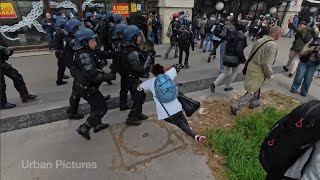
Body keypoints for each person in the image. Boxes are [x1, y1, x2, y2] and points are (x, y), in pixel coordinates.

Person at [137, 63, 206, 142]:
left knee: (180, 124)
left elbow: (139, 88)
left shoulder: (151, 82)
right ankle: (189, 128)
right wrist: (167, 69)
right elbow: (178, 66)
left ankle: (196, 137)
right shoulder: (169, 75)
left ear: (153, 74)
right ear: (162, 70)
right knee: (180, 117)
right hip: (177, 105)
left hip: (166, 113)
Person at [73, 28, 117, 140]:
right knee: (101, 108)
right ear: (84, 42)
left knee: (95, 105)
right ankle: (84, 127)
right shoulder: (84, 56)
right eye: (92, 41)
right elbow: (95, 76)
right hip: (86, 88)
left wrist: (116, 54)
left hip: (86, 86)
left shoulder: (88, 51)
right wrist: (110, 75)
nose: (95, 43)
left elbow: (102, 54)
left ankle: (97, 125)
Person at [230, 26, 282, 116]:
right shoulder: (273, 45)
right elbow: (267, 63)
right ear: (276, 34)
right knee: (252, 90)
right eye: (280, 34)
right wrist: (270, 74)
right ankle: (236, 105)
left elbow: (251, 53)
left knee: (256, 86)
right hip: (259, 69)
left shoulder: (261, 40)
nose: (280, 36)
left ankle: (254, 102)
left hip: (252, 66)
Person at [120, 25, 150, 126]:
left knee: (140, 95)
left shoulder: (127, 48)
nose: (140, 38)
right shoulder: (132, 52)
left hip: (128, 77)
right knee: (138, 97)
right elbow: (139, 70)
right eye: (138, 36)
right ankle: (132, 117)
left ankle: (138, 113)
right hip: (132, 79)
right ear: (133, 38)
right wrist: (149, 59)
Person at [0, 35, 37, 109]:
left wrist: (7, 50)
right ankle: (3, 103)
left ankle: (24, 95)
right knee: (1, 84)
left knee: (17, 77)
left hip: (2, 62)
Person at [211, 20, 247, 93]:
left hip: (227, 55)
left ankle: (215, 83)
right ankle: (228, 86)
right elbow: (239, 50)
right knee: (234, 72)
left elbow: (226, 43)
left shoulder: (231, 34)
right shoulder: (242, 37)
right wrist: (243, 60)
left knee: (225, 72)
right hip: (235, 58)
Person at [64, 18, 85, 120]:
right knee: (77, 90)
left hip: (75, 66)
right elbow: (81, 47)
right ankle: (72, 112)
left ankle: (71, 109)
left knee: (78, 89)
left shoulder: (70, 37)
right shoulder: (72, 40)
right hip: (75, 67)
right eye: (78, 26)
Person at [52, 16, 69, 86]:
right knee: (63, 66)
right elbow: (67, 38)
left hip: (58, 51)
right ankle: (59, 80)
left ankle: (60, 79)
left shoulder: (57, 30)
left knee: (61, 66)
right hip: (60, 51)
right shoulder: (61, 32)